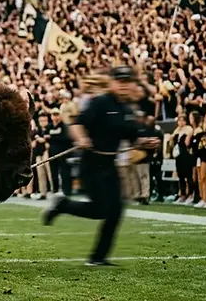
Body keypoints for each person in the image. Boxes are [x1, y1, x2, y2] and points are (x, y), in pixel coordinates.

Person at [42, 66, 160, 267]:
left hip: (109, 166)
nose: (123, 86)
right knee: (101, 210)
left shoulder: (127, 110)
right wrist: (82, 138)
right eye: (119, 81)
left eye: (127, 82)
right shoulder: (100, 103)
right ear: (112, 83)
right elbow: (76, 124)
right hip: (92, 164)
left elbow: (132, 137)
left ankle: (98, 257)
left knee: (115, 210)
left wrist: (145, 142)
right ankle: (63, 206)